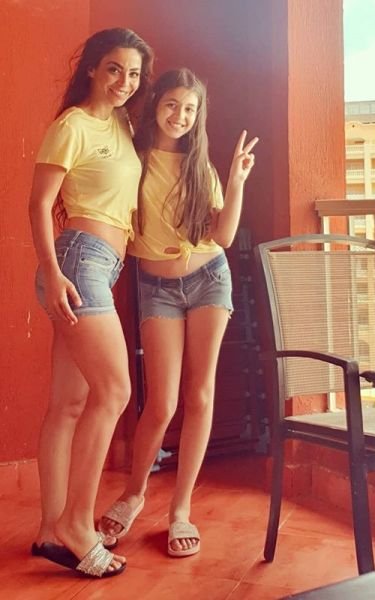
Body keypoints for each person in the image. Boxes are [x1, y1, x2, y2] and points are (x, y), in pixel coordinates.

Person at [99, 68, 258, 557]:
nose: (180, 116)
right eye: (172, 104)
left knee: (200, 395)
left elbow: (223, 237)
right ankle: (133, 495)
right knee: (161, 403)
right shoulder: (135, 157)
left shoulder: (200, 167)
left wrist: (236, 179)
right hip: (158, 288)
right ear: (156, 105)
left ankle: (181, 510)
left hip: (209, 277)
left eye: (190, 109)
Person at [28, 28, 153, 577]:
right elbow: (40, 204)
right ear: (92, 71)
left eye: (134, 73)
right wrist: (53, 275)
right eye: (114, 69)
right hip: (78, 264)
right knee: (115, 390)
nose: (125, 82)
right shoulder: (73, 125)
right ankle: (78, 524)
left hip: (101, 264)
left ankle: (48, 531)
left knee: (69, 405)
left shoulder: (122, 124)